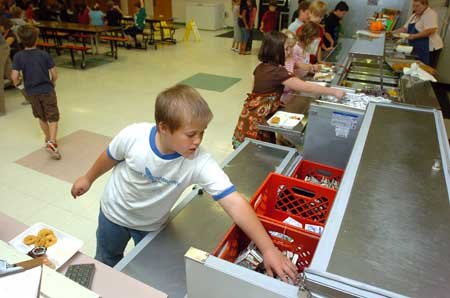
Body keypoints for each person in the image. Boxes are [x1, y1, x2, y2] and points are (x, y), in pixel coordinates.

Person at [70, 84, 298, 282]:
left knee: (146, 269)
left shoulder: (197, 161)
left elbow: (235, 203)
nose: (198, 141)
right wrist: (88, 178)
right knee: (107, 260)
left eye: (202, 132)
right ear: (163, 128)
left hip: (151, 226)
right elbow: (109, 156)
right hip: (113, 215)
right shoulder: (133, 137)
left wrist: (268, 249)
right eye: (190, 134)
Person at [232, 31, 345, 148]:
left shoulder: (261, 67)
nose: (290, 51)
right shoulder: (277, 72)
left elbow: (255, 93)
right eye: (286, 49)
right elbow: (307, 87)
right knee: (258, 151)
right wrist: (334, 91)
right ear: (275, 51)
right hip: (257, 123)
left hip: (250, 117)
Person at [10, 25, 61, 159]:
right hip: (47, 90)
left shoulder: (18, 56)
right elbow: (54, 74)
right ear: (36, 39)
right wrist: (53, 82)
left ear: (20, 39)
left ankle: (48, 138)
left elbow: (14, 77)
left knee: (41, 116)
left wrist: (19, 85)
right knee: (53, 117)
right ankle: (52, 142)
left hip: (31, 92)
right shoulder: (44, 54)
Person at [392, 0, 443, 67]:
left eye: (417, 6)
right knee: (416, 67)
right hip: (417, 47)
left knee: (426, 69)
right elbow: (404, 29)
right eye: (414, 6)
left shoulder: (430, 14)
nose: (415, 8)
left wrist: (414, 36)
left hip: (430, 49)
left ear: (425, 5)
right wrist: (391, 33)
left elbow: (430, 30)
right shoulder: (414, 16)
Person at [281, 28, 321, 103]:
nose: (290, 51)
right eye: (287, 48)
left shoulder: (292, 59)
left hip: (291, 93)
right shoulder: (278, 64)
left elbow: (302, 65)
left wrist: (312, 67)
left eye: (292, 47)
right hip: (282, 97)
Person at [0, 32, 9, 116]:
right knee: (11, 75)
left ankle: (1, 110)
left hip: (1, 48)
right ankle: (29, 97)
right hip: (4, 47)